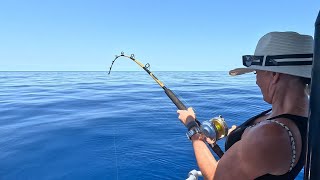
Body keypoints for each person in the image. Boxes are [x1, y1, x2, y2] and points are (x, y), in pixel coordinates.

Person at [177, 31, 313, 179]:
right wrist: (237, 135)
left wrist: (192, 128)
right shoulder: (305, 115)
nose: (256, 81)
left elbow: (216, 177)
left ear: (274, 75)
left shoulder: (271, 135)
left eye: (256, 73)